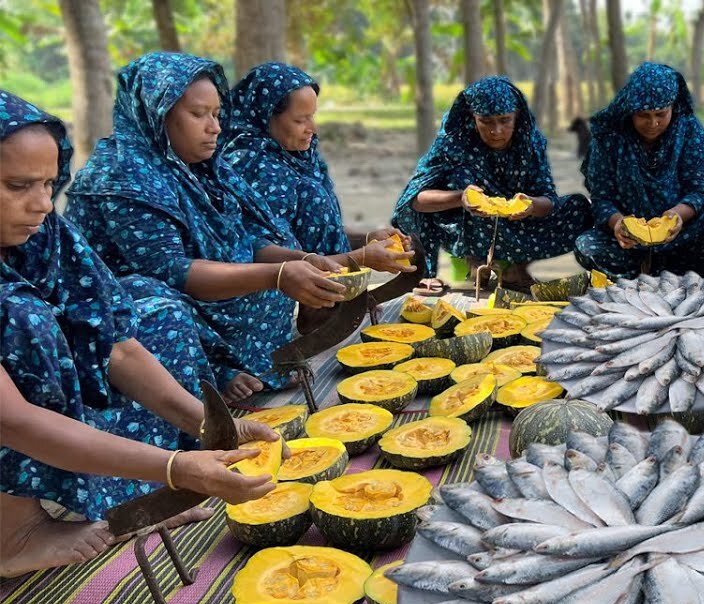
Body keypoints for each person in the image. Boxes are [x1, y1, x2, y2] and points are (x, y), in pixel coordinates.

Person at [0, 90, 280, 577]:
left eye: (49, 183)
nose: (43, 203)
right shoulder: (123, 175)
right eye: (18, 185)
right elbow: (11, 420)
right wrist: (175, 468)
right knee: (30, 325)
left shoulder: (47, 234)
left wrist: (211, 425)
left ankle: (118, 484)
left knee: (140, 320)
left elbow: (118, 349)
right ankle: (13, 536)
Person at [65, 52, 411, 403]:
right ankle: (213, 371)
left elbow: (241, 240)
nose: (215, 126)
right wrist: (277, 275)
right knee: (166, 305)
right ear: (156, 112)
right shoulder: (123, 174)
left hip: (211, 299)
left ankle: (243, 362)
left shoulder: (201, 166)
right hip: (143, 308)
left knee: (266, 272)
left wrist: (303, 259)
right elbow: (172, 272)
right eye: (199, 114)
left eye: (216, 114)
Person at [393, 76, 590, 291]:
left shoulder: (530, 144)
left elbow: (548, 200)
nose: (496, 131)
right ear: (472, 118)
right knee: (460, 177)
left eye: (505, 120)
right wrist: (461, 198)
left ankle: (515, 267)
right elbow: (415, 200)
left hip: (520, 230)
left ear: (517, 116)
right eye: (485, 122)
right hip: (467, 229)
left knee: (579, 207)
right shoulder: (453, 143)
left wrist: (531, 205)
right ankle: (474, 261)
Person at [576, 62, 704, 279]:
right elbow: (601, 198)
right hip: (630, 244)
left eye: (661, 114)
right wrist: (618, 224)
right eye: (643, 115)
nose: (653, 123)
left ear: (673, 106)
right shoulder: (608, 137)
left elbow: (697, 192)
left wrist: (677, 215)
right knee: (586, 245)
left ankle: (696, 271)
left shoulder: (690, 130)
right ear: (630, 110)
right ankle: (648, 269)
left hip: (684, 235)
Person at [221, 62, 353, 258]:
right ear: (265, 115)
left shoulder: (303, 157)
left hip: (316, 273)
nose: (312, 128)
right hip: (283, 279)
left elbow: (319, 229)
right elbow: (270, 250)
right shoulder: (252, 165)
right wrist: (359, 258)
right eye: (300, 120)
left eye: (312, 117)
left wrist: (368, 240)